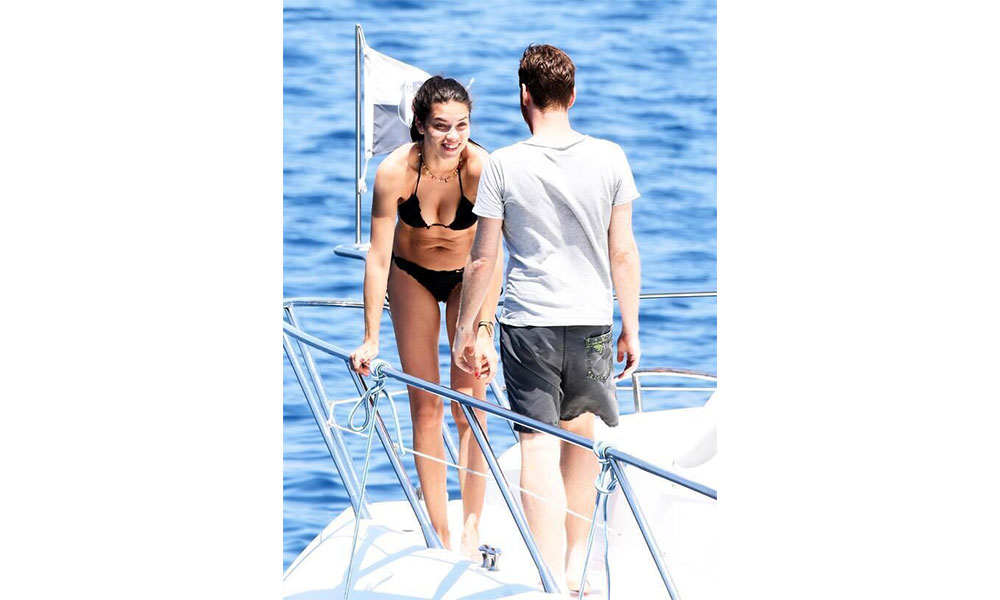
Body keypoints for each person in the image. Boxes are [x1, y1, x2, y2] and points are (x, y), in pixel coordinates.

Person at [452, 45, 641, 593]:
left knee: (536, 443)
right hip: (592, 323)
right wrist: (631, 326)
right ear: (572, 95)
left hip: (528, 322)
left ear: (524, 96)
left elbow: (483, 259)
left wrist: (466, 330)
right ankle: (577, 565)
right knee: (580, 436)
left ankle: (551, 578)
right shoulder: (610, 157)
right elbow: (623, 250)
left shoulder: (504, 164)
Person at [349, 76, 503, 557]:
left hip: (466, 280)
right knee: (426, 406)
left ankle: (472, 528)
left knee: (469, 405)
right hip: (410, 275)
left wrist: (483, 330)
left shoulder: (481, 170)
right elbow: (378, 257)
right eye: (441, 126)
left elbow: (492, 256)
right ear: (420, 125)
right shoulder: (394, 172)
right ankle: (440, 533)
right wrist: (370, 336)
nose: (452, 136)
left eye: (461, 125)